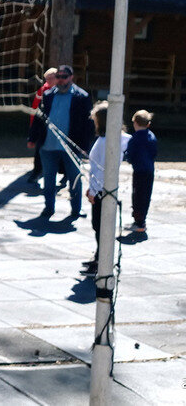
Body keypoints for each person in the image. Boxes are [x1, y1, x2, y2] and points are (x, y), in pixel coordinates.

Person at [27, 65, 93, 219]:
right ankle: (49, 208)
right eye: (58, 77)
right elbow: (39, 118)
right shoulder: (48, 95)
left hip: (71, 147)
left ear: (71, 77)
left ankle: (76, 210)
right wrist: (32, 138)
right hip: (48, 146)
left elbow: (88, 124)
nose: (61, 80)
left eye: (64, 77)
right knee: (49, 179)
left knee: (74, 179)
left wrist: (86, 146)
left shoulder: (81, 97)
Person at [82, 101, 130, 276]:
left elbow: (101, 170)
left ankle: (101, 261)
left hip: (102, 190)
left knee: (100, 227)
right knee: (101, 227)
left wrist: (93, 191)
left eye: (95, 120)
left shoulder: (105, 142)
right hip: (102, 189)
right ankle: (99, 257)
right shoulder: (117, 138)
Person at [125, 109, 157, 239]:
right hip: (149, 170)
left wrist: (129, 159)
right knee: (146, 195)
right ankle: (142, 219)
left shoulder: (135, 138)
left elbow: (130, 154)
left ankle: (138, 222)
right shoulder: (152, 136)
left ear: (135, 123)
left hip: (139, 171)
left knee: (137, 195)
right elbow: (154, 152)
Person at [28, 68, 58, 183]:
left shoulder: (61, 91)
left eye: (51, 78)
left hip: (57, 128)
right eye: (47, 79)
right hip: (43, 127)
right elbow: (35, 110)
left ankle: (63, 174)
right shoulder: (42, 91)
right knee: (39, 151)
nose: (48, 81)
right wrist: (32, 131)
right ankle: (36, 172)